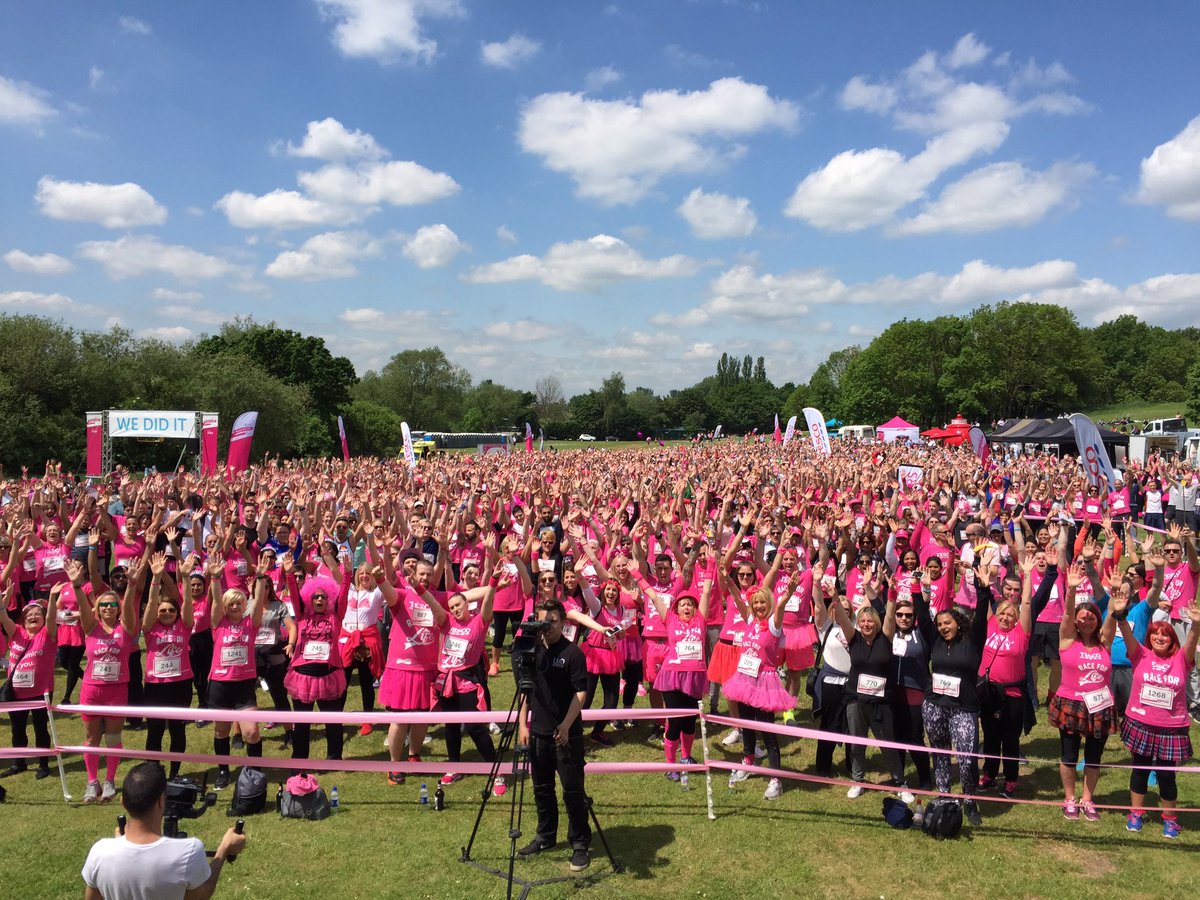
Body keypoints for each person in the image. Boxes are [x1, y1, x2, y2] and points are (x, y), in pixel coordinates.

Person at [82, 761, 247, 900]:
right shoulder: (189, 851)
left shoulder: (100, 852)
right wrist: (223, 850)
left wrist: (118, 844)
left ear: (123, 802)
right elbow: (201, 895)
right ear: (162, 801)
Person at [1111, 583, 1199, 838]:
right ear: (1148, 638)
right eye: (1155, 635)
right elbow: (1127, 633)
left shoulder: (1181, 660)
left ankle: (1169, 819)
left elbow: (1191, 643)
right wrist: (1120, 615)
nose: (1160, 638)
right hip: (1141, 723)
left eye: (1165, 635)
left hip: (1171, 727)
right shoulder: (1140, 655)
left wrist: (1195, 626)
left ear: (1172, 640)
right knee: (1139, 770)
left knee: (1166, 775)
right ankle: (1136, 814)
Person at [516, 599, 591, 874]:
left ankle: (580, 843)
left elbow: (580, 692)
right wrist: (523, 725)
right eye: (543, 621)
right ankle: (546, 836)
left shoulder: (573, 653)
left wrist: (567, 725)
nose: (547, 627)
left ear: (562, 623)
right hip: (538, 733)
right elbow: (525, 689)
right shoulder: (531, 651)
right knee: (542, 789)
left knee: (573, 790)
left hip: (566, 734)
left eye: (553, 622)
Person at [1051, 561, 1117, 822]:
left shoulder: (1105, 643)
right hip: (1071, 704)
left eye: (1092, 617)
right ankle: (1069, 798)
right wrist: (1071, 590)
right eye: (1083, 617)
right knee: (1069, 755)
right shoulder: (1068, 640)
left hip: (1100, 706)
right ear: (1077, 621)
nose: (1087, 620)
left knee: (1093, 756)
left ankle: (1088, 799)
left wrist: (1112, 594)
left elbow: (1111, 614)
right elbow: (1066, 616)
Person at [78, 557, 144, 803]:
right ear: (98, 609)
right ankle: (92, 781)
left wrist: (131, 586)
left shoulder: (126, 628)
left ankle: (110, 781)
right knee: (91, 738)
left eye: (112, 605)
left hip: (116, 690)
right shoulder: (90, 627)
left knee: (113, 737)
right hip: (91, 690)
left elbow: (129, 611)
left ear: (117, 608)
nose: (107, 608)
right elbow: (85, 608)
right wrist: (76, 586)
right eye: (103, 605)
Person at [205, 554, 267, 791]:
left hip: (243, 684)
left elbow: (259, 600)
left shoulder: (251, 624)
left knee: (251, 731)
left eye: (238, 604)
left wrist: (260, 577)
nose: (234, 607)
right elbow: (215, 603)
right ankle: (223, 771)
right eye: (230, 604)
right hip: (220, 684)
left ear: (244, 606)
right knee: (221, 731)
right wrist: (215, 578)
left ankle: (254, 770)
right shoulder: (218, 624)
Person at [142, 553, 194, 779]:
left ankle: (174, 773)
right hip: (155, 686)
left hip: (180, 685)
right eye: (163, 610)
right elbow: (152, 603)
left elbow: (188, 604)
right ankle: (153, 772)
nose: (166, 613)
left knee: (177, 729)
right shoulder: (150, 628)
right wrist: (155, 579)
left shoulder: (185, 626)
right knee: (154, 730)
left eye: (171, 610)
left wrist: (186, 578)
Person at [0, 582, 59, 779]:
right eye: (29, 615)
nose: (33, 617)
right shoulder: (16, 632)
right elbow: (3, 617)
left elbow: (52, 617)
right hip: (16, 692)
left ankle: (43, 763)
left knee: (41, 728)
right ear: (23, 620)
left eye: (37, 614)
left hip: (40, 691)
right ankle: (19, 763)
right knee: (18, 729)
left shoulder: (47, 634)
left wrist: (51, 600)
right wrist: (5, 602)